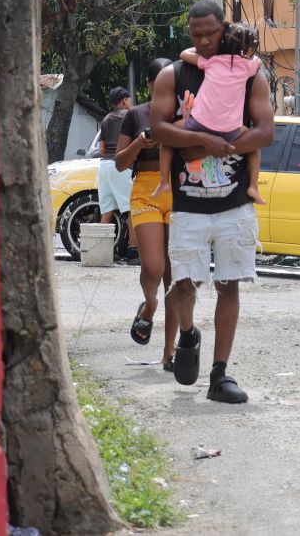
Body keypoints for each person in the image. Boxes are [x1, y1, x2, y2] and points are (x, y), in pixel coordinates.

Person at [151, 1, 274, 404]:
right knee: (183, 284)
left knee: (229, 284)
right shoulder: (174, 74)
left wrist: (225, 145)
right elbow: (159, 128)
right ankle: (188, 334)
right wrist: (203, 140)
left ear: (225, 30)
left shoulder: (249, 74)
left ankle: (220, 374)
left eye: (211, 34)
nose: (204, 42)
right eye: (196, 35)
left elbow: (266, 132)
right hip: (187, 203)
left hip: (234, 202)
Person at [154, 22, 265, 206]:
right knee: (254, 142)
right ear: (248, 49)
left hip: (200, 122)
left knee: (167, 135)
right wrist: (249, 55)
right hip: (230, 128)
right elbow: (258, 61)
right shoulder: (247, 67)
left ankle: (164, 181)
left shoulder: (211, 61)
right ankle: (253, 186)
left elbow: (184, 54)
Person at [115, 60, 178, 368]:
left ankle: (169, 351)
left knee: (174, 278)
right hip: (146, 189)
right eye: (162, 82)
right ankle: (149, 304)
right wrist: (140, 142)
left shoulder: (184, 112)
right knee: (154, 266)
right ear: (152, 84)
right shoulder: (135, 114)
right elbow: (120, 163)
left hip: (178, 190)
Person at [96, 87, 136, 257]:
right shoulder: (130, 116)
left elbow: (102, 149)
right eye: (130, 99)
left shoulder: (106, 119)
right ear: (124, 101)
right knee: (131, 210)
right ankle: (134, 250)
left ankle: (100, 252)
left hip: (104, 166)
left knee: (107, 210)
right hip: (121, 165)